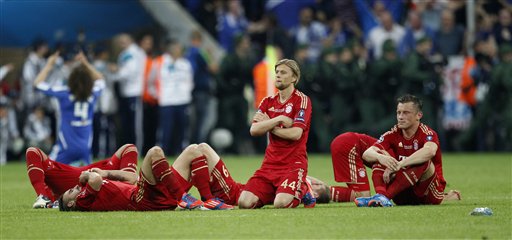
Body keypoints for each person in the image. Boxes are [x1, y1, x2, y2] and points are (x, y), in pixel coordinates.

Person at [238, 59, 314, 209]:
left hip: (293, 164)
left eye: (283, 72)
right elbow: (254, 130)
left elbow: (296, 134)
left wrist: (268, 125)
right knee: (244, 203)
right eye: (277, 72)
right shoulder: (267, 102)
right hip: (269, 165)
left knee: (281, 204)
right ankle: (280, 190)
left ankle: (305, 188)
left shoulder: (302, 101)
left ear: (294, 78)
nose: (278, 76)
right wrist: (277, 119)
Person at [356, 94, 447, 207]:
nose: (400, 117)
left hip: (429, 194)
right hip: (403, 193)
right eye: (398, 112)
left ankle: (384, 198)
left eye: (406, 113)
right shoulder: (393, 133)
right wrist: (381, 158)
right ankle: (381, 197)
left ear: (418, 115)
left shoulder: (428, 133)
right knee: (380, 157)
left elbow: (430, 151)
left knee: (423, 161)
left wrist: (400, 164)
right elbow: (367, 153)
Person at [58, 146, 203, 211]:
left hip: (149, 194)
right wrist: (87, 175)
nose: (75, 187)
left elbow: (133, 178)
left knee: (193, 150)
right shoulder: (82, 203)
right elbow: (95, 180)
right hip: (142, 200)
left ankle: (209, 200)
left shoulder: (94, 189)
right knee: (155, 152)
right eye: (71, 191)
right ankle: (183, 198)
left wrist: (106, 173)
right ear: (71, 203)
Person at [34, 51, 104, 165]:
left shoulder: (64, 94)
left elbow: (38, 83)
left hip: (66, 147)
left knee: (45, 172)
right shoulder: (93, 94)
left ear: (71, 80)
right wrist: (85, 63)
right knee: (85, 179)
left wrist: (49, 64)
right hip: (85, 148)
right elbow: (101, 80)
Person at [26, 144, 138, 208]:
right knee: (129, 148)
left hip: (83, 173)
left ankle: (126, 189)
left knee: (130, 148)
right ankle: (43, 198)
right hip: (82, 174)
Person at [156, 40, 194, 156]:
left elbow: (190, 81)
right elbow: (152, 80)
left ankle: (182, 154)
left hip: (182, 101)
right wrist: (158, 95)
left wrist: (187, 93)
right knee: (166, 129)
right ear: (170, 49)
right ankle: (163, 153)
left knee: (182, 129)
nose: (178, 50)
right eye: (176, 48)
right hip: (167, 101)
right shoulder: (160, 62)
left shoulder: (185, 64)